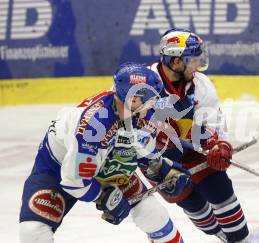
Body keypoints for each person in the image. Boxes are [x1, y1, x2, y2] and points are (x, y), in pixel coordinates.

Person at [18, 62, 191, 243]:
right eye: (149, 98)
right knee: (33, 232)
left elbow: (142, 150)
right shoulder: (94, 126)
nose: (154, 102)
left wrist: (162, 168)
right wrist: (103, 196)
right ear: (132, 99)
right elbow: (75, 181)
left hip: (108, 163)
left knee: (151, 213)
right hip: (58, 165)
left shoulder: (141, 112)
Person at [143, 28, 250, 243]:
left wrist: (221, 145)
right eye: (193, 60)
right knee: (193, 205)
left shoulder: (201, 84)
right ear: (175, 62)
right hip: (158, 157)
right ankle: (219, 234)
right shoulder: (140, 81)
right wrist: (148, 140)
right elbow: (123, 121)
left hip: (196, 147)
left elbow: (214, 123)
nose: (198, 65)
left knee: (221, 192)